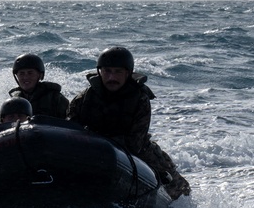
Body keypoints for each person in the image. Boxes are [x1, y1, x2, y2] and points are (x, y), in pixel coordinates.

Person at [67, 46, 191, 199]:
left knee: (179, 186)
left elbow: (135, 142)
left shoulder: (140, 99)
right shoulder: (84, 98)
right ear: (100, 72)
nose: (112, 77)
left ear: (128, 73)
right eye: (107, 71)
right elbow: (70, 129)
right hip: (93, 146)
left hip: (133, 148)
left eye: (118, 72)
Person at [8, 53, 69, 119]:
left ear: (40, 75)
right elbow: (1, 126)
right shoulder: (14, 101)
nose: (25, 77)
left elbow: (70, 124)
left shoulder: (55, 99)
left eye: (30, 73)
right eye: (21, 73)